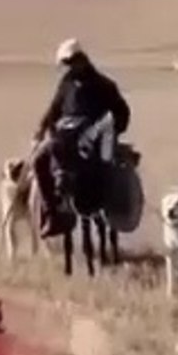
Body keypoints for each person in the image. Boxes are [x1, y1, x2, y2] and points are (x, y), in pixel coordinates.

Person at [30, 38, 132, 238]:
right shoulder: (66, 84)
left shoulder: (104, 85)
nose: (69, 68)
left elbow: (122, 114)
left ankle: (107, 205)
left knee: (104, 167)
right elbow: (54, 110)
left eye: (72, 63)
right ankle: (54, 215)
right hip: (64, 140)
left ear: (82, 60)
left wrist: (107, 131)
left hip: (94, 140)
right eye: (66, 64)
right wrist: (40, 130)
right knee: (40, 161)